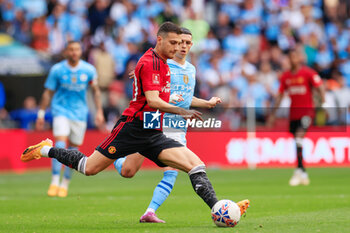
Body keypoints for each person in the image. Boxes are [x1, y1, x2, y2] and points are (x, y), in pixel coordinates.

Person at [21, 22, 249, 220]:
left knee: (195, 165)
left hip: (154, 131)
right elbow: (153, 100)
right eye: (173, 43)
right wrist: (181, 111)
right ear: (160, 40)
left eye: (182, 43)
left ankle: (219, 208)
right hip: (131, 127)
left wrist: (200, 103)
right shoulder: (151, 63)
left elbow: (166, 93)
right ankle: (46, 149)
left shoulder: (165, 63)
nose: (178, 47)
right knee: (90, 168)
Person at [113, 27, 228, 223]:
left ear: (191, 45)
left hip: (176, 127)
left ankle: (150, 212)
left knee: (172, 171)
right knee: (128, 171)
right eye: (180, 42)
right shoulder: (163, 64)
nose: (183, 46)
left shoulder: (191, 69)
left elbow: (186, 98)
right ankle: (113, 157)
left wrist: (206, 102)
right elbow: (151, 85)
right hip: (154, 122)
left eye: (188, 43)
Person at [35, 41, 104, 197]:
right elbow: (48, 93)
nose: (74, 52)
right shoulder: (57, 70)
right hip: (61, 111)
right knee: (59, 143)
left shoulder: (89, 70)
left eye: (77, 49)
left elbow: (96, 91)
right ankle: (54, 182)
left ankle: (65, 183)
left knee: (73, 150)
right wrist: (41, 113)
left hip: (80, 114)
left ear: (81, 51)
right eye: (71, 50)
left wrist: (99, 111)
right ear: (66, 52)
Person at [267, 48, 325, 186]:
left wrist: (324, 103)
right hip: (294, 113)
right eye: (290, 57)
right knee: (296, 140)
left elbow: (320, 86)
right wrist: (273, 114)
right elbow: (280, 95)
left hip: (307, 112)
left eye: (295, 57)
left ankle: (299, 171)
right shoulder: (286, 76)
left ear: (299, 58)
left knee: (299, 136)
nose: (292, 60)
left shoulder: (308, 73)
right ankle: (302, 171)